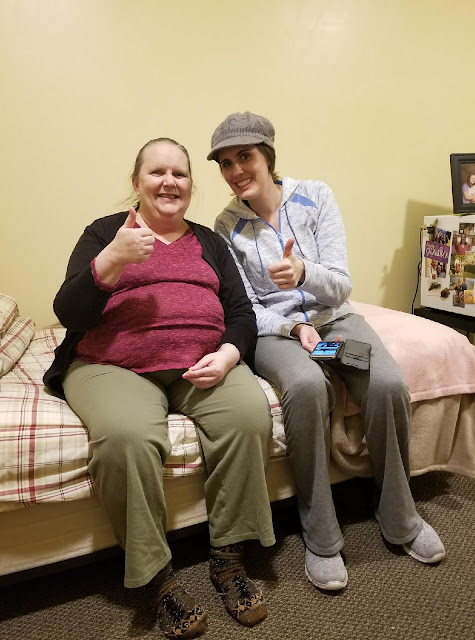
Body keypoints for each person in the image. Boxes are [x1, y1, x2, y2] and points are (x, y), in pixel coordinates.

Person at [43, 137, 276, 639]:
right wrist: (111, 261)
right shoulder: (105, 233)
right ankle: (158, 579)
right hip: (113, 366)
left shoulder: (209, 242)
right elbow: (69, 312)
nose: (169, 182)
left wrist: (228, 354)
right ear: (137, 183)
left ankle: (229, 559)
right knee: (126, 437)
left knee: (249, 415)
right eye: (157, 172)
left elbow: (241, 313)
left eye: (180, 173)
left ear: (191, 185)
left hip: (201, 363)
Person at [207, 112, 445, 592]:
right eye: (226, 163)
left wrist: (303, 273)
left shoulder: (315, 196)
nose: (236, 171)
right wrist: (293, 326)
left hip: (334, 323)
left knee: (386, 382)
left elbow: (340, 285)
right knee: (306, 387)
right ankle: (320, 535)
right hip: (278, 336)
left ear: (267, 156)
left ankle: (400, 515)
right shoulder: (227, 225)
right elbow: (246, 309)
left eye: (245, 157)